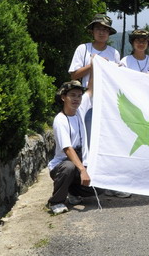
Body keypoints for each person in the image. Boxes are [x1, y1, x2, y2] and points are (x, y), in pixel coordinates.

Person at [47, 80, 99, 214]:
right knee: (69, 167)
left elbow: (91, 89)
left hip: (80, 162)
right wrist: (82, 170)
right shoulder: (60, 120)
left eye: (79, 96)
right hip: (62, 166)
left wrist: (94, 62)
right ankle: (56, 201)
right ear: (63, 97)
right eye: (72, 95)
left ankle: (72, 191)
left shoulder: (79, 111)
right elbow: (68, 149)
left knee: (99, 187)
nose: (76, 99)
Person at [69, 13, 120, 87]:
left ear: (109, 32)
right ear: (92, 31)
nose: (101, 32)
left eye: (105, 29)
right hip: (86, 94)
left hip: (106, 95)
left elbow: (116, 78)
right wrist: (93, 64)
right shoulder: (83, 49)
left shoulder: (114, 53)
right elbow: (74, 76)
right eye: (98, 28)